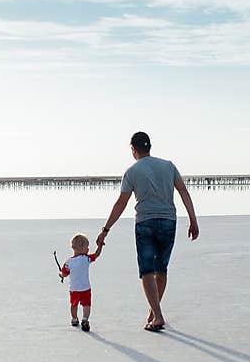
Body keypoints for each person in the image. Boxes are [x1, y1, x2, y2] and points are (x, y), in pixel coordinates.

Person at [95, 131, 199, 332]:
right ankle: (154, 312)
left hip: (145, 223)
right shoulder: (169, 166)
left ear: (133, 149)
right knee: (161, 270)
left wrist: (105, 229)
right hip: (169, 221)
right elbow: (183, 192)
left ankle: (157, 315)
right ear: (149, 146)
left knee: (147, 271)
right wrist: (193, 220)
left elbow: (121, 203)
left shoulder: (132, 171)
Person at [59, 233, 104, 332]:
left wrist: (61, 275)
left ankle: (74, 319)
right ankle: (85, 319)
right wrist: (100, 246)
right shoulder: (86, 259)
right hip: (85, 288)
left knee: (73, 305)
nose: (88, 249)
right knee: (86, 305)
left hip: (74, 289)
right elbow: (96, 255)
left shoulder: (68, 262)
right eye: (86, 247)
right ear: (80, 248)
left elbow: (64, 274)